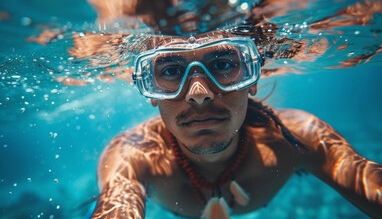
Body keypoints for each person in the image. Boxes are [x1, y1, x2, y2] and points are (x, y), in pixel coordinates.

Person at [89, 32, 382, 219]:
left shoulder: (298, 136)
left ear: (252, 80)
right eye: (171, 71)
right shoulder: (133, 156)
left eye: (222, 65)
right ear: (152, 93)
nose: (199, 94)